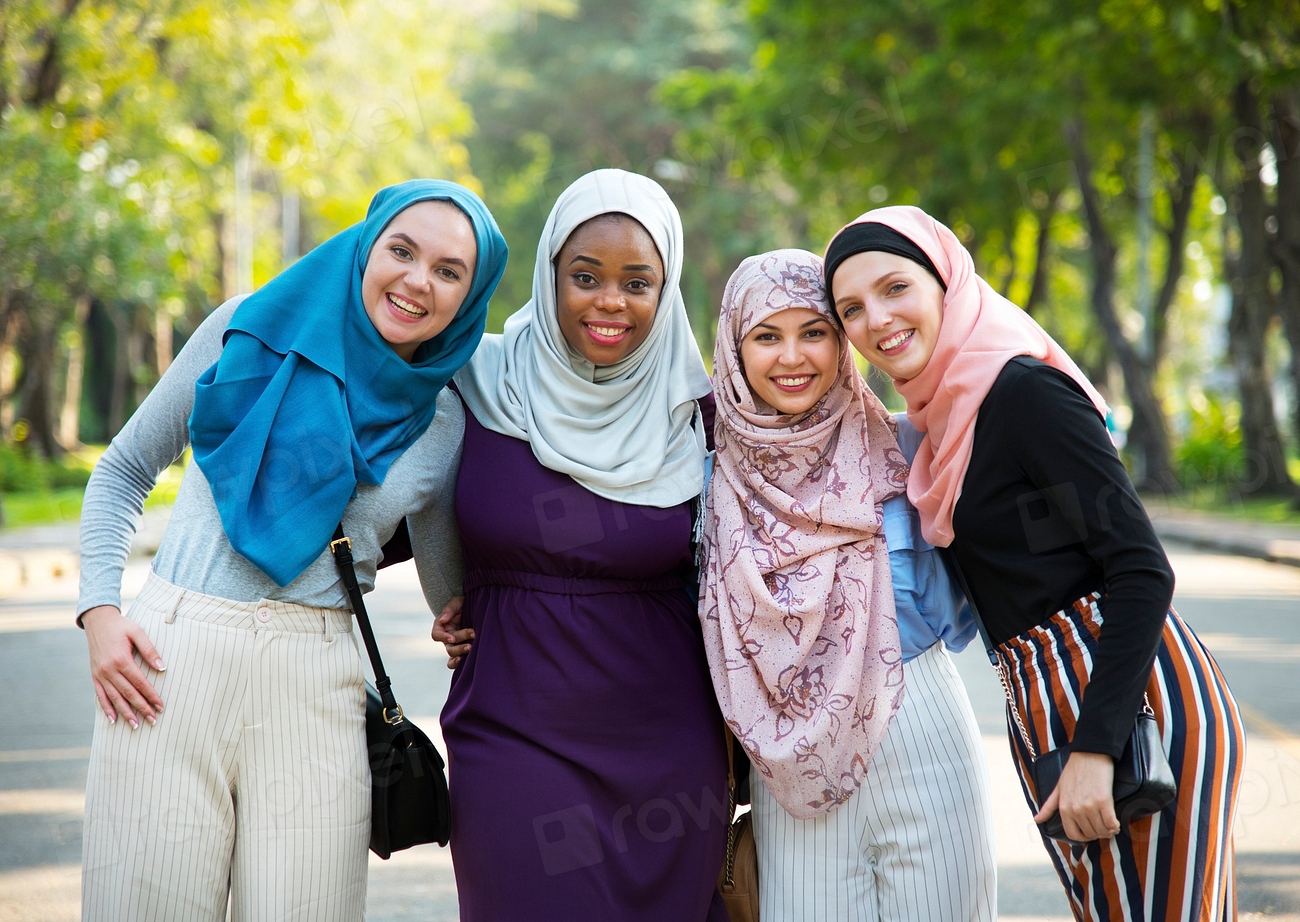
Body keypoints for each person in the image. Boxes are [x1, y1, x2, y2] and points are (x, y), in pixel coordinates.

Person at [76, 180, 508, 922]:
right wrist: (99, 612)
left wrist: (464, 616)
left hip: (319, 686)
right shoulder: (246, 329)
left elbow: (453, 593)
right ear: (366, 246)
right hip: (169, 664)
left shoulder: (440, 422)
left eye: (448, 271)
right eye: (401, 251)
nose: (416, 281)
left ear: (470, 296)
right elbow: (123, 469)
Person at [824, 206, 1243, 922]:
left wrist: (1097, 748)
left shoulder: (1021, 391)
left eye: (896, 288)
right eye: (851, 309)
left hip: (1127, 703)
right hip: (1047, 705)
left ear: (945, 281)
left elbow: (1140, 568)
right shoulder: (940, 420)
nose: (877, 320)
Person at [431, 169, 728, 920]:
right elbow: (396, 495)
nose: (610, 301)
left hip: (668, 745)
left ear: (668, 291)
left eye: (639, 282)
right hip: (510, 728)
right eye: (585, 276)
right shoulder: (477, 382)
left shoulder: (701, 415)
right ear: (549, 273)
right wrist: (445, 595)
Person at [699, 249, 996, 922]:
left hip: (920, 731)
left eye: (814, 331)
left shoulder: (906, 445)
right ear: (734, 349)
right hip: (787, 768)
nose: (792, 356)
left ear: (843, 343)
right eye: (766, 336)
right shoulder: (707, 480)